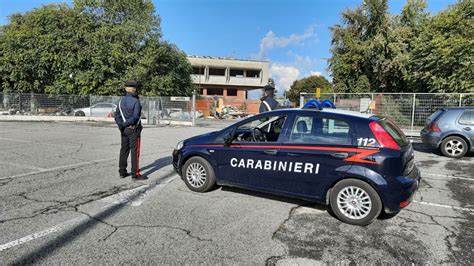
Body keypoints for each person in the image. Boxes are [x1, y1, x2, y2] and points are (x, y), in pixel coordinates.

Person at [114, 80, 147, 181]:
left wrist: (121, 125)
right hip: (133, 129)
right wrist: (125, 124)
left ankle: (122, 172)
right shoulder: (136, 101)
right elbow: (135, 118)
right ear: (134, 89)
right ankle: (135, 174)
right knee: (134, 152)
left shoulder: (121, 100)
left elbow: (117, 115)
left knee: (124, 150)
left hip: (123, 130)